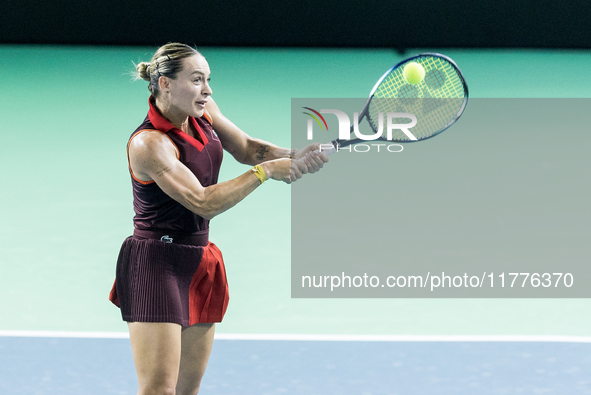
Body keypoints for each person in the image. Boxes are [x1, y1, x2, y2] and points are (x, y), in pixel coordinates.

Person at [108, 42, 328, 395]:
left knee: (186, 390)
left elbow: (247, 147)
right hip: (156, 263)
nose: (207, 89)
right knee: (158, 390)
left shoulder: (204, 110)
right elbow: (202, 202)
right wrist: (267, 171)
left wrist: (294, 154)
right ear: (165, 83)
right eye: (196, 80)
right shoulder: (149, 144)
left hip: (200, 260)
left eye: (208, 79)